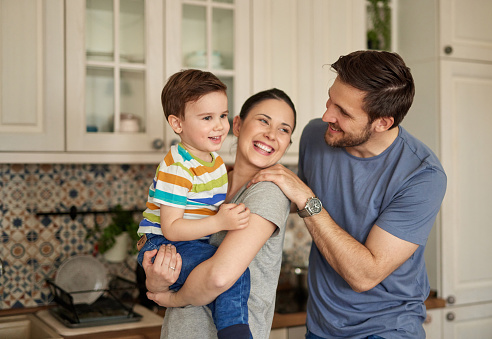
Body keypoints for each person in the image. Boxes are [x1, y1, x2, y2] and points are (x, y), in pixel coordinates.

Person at [249, 50, 447, 339]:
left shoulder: (422, 175)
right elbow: (291, 199)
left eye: (343, 111)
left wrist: (306, 198)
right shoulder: (317, 136)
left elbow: (364, 275)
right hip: (320, 326)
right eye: (331, 99)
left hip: (386, 329)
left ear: (383, 122)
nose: (327, 114)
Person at [142, 88, 297, 339]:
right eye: (263, 121)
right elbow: (172, 257)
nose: (271, 135)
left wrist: (173, 298)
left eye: (284, 129)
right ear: (237, 125)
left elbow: (219, 277)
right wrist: (157, 282)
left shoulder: (267, 192)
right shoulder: (211, 181)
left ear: (288, 144)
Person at [136, 69, 253, 338]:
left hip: (189, 243)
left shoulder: (216, 162)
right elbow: (172, 229)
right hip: (162, 244)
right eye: (207, 118)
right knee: (230, 270)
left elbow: (201, 209)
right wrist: (220, 221)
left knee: (227, 272)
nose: (219, 125)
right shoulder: (178, 166)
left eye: (222, 115)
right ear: (177, 124)